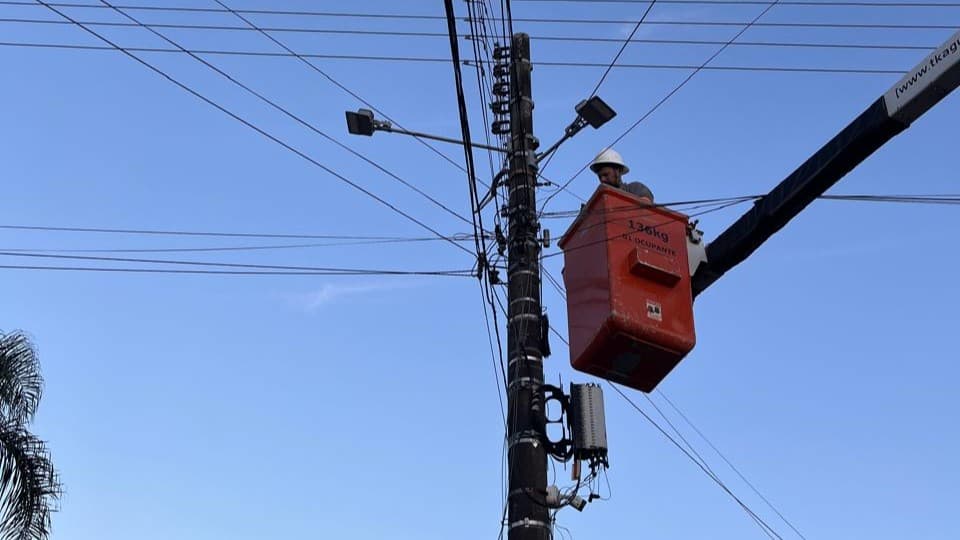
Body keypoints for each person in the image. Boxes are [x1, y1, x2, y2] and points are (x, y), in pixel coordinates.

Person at [589, 148, 654, 202]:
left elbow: (645, 206)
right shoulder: (598, 200)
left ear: (618, 171)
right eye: (599, 176)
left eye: (606, 175)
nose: (602, 179)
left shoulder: (636, 189)